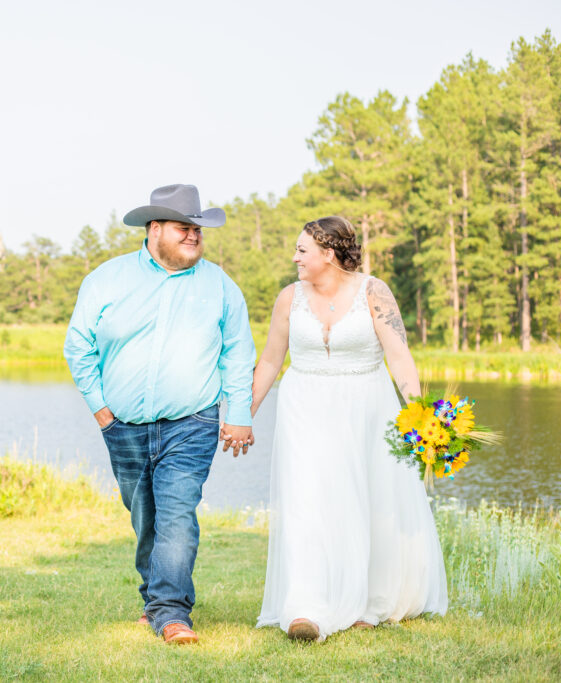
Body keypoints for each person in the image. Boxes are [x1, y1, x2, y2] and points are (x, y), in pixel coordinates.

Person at [64, 184, 256, 645]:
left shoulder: (221, 286)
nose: (193, 236)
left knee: (176, 515)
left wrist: (240, 413)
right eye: (183, 228)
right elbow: (78, 347)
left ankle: (172, 614)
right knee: (145, 517)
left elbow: (238, 353)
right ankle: (156, 602)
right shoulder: (106, 279)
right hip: (123, 427)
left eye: (197, 229)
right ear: (154, 231)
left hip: (193, 424)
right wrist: (102, 412)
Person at [251, 216, 447, 642]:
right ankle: (307, 608)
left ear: (329, 253)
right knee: (306, 501)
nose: (295, 258)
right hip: (303, 409)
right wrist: (243, 414)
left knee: (367, 500)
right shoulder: (289, 298)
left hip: (366, 409)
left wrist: (419, 414)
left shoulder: (373, 292)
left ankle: (370, 602)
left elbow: (399, 355)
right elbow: (270, 360)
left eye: (303, 251)